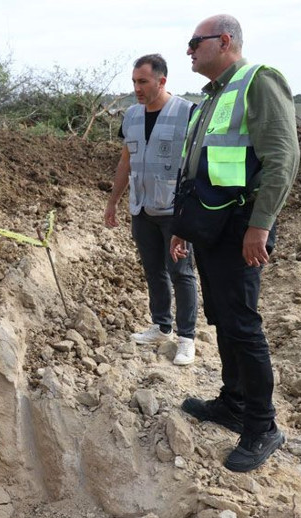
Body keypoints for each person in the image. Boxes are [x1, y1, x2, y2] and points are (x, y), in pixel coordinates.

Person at [170, 15, 300, 472]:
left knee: (242, 324)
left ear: (224, 41)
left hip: (242, 226)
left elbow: (283, 157)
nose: (188, 50)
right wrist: (186, 228)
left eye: (194, 42)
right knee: (223, 318)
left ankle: (262, 425)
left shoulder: (258, 82)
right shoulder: (212, 96)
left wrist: (260, 227)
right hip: (212, 226)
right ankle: (233, 403)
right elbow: (202, 168)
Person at [104, 54, 197, 365]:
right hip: (142, 207)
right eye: (133, 82)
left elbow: (198, 165)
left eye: (142, 81)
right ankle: (161, 325)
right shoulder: (131, 116)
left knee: (181, 273)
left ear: (161, 81)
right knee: (153, 270)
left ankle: (186, 337)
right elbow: (125, 161)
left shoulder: (187, 113)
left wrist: (192, 213)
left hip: (175, 210)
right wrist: (113, 200)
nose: (137, 88)